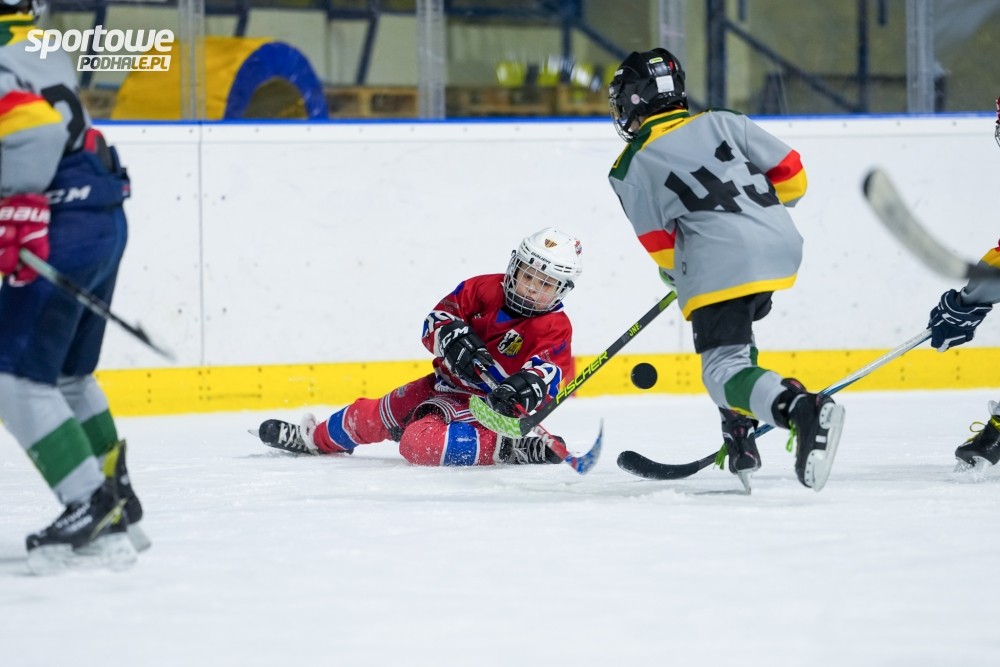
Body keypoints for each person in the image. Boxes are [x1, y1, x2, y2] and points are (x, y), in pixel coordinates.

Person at [606, 48, 845, 492]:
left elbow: (663, 250)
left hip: (720, 259)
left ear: (632, 101)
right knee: (734, 343)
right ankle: (740, 433)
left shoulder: (630, 166)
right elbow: (794, 180)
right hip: (780, 243)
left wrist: (681, 273)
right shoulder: (723, 120)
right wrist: (747, 218)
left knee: (721, 372)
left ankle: (798, 407)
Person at [0, 0, 146, 572]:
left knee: (15, 377)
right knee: (68, 375)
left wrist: (18, 201)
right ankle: (116, 494)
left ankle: (90, 502)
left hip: (61, 223)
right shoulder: (41, 46)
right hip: (101, 214)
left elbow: (34, 130)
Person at [255, 227, 583, 467]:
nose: (531, 288)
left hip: (484, 406)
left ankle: (508, 448)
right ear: (515, 266)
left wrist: (526, 387)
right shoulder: (482, 288)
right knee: (366, 414)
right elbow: (435, 321)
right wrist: (450, 336)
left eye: (545, 284)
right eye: (528, 275)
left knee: (419, 442)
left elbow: (550, 375)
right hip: (441, 385)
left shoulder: (554, 327)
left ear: (561, 289)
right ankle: (313, 439)